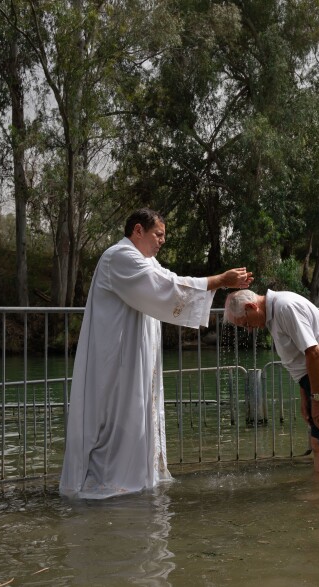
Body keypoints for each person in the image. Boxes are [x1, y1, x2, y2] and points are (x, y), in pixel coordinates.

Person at [59, 208, 253, 499]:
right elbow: (165, 288)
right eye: (158, 234)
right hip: (116, 359)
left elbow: (171, 279)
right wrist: (219, 280)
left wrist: (216, 282)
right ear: (138, 231)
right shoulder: (119, 256)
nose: (162, 241)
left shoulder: (145, 261)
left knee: (137, 411)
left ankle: (137, 477)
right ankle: (105, 482)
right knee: (114, 415)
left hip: (135, 359)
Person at [224, 289, 319, 485]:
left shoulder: (285, 308)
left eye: (245, 323)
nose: (249, 329)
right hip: (317, 379)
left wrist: (318, 400)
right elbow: (303, 360)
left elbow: (315, 353)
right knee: (318, 445)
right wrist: (307, 397)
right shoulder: (273, 314)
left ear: (252, 307)